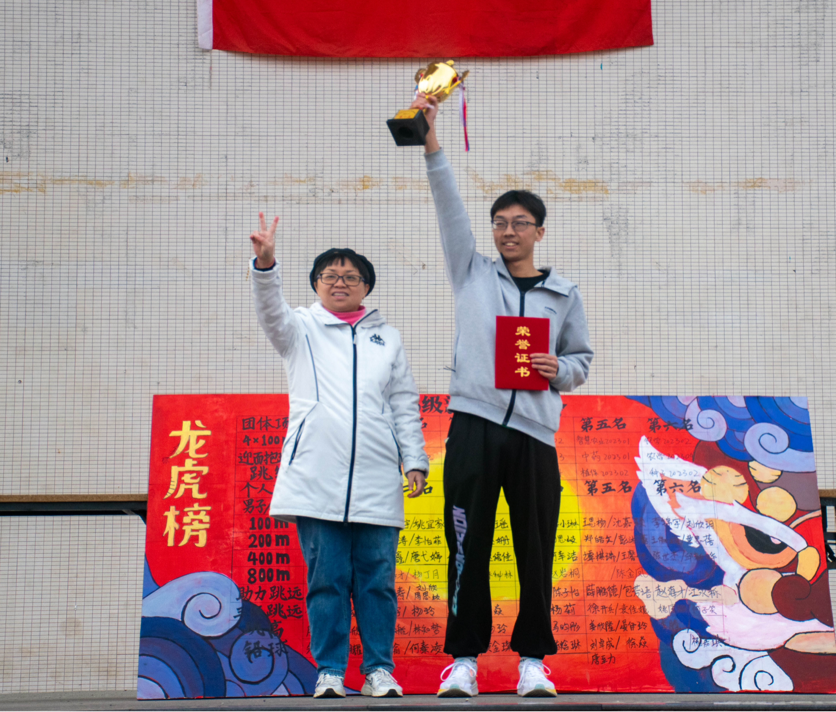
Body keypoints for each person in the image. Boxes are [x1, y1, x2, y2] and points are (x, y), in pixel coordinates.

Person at [411, 95, 594, 698]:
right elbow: (448, 204)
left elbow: (581, 360)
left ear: (540, 231)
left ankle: (533, 662)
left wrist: (558, 368)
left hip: (535, 436)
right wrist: (431, 142)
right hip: (474, 426)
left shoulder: (564, 295)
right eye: (499, 223)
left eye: (519, 223)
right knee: (466, 543)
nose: (507, 231)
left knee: (534, 549)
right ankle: (463, 660)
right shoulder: (471, 272)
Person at [249, 213, 429, 699]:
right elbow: (270, 311)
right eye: (330, 276)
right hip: (317, 478)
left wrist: (414, 459)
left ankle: (378, 671)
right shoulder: (299, 328)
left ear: (366, 286)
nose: (340, 283)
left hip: (377, 479)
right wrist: (265, 266)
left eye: (351, 276)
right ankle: (329, 671)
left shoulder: (387, 338)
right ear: (316, 285)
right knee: (326, 580)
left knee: (377, 582)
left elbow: (402, 403)